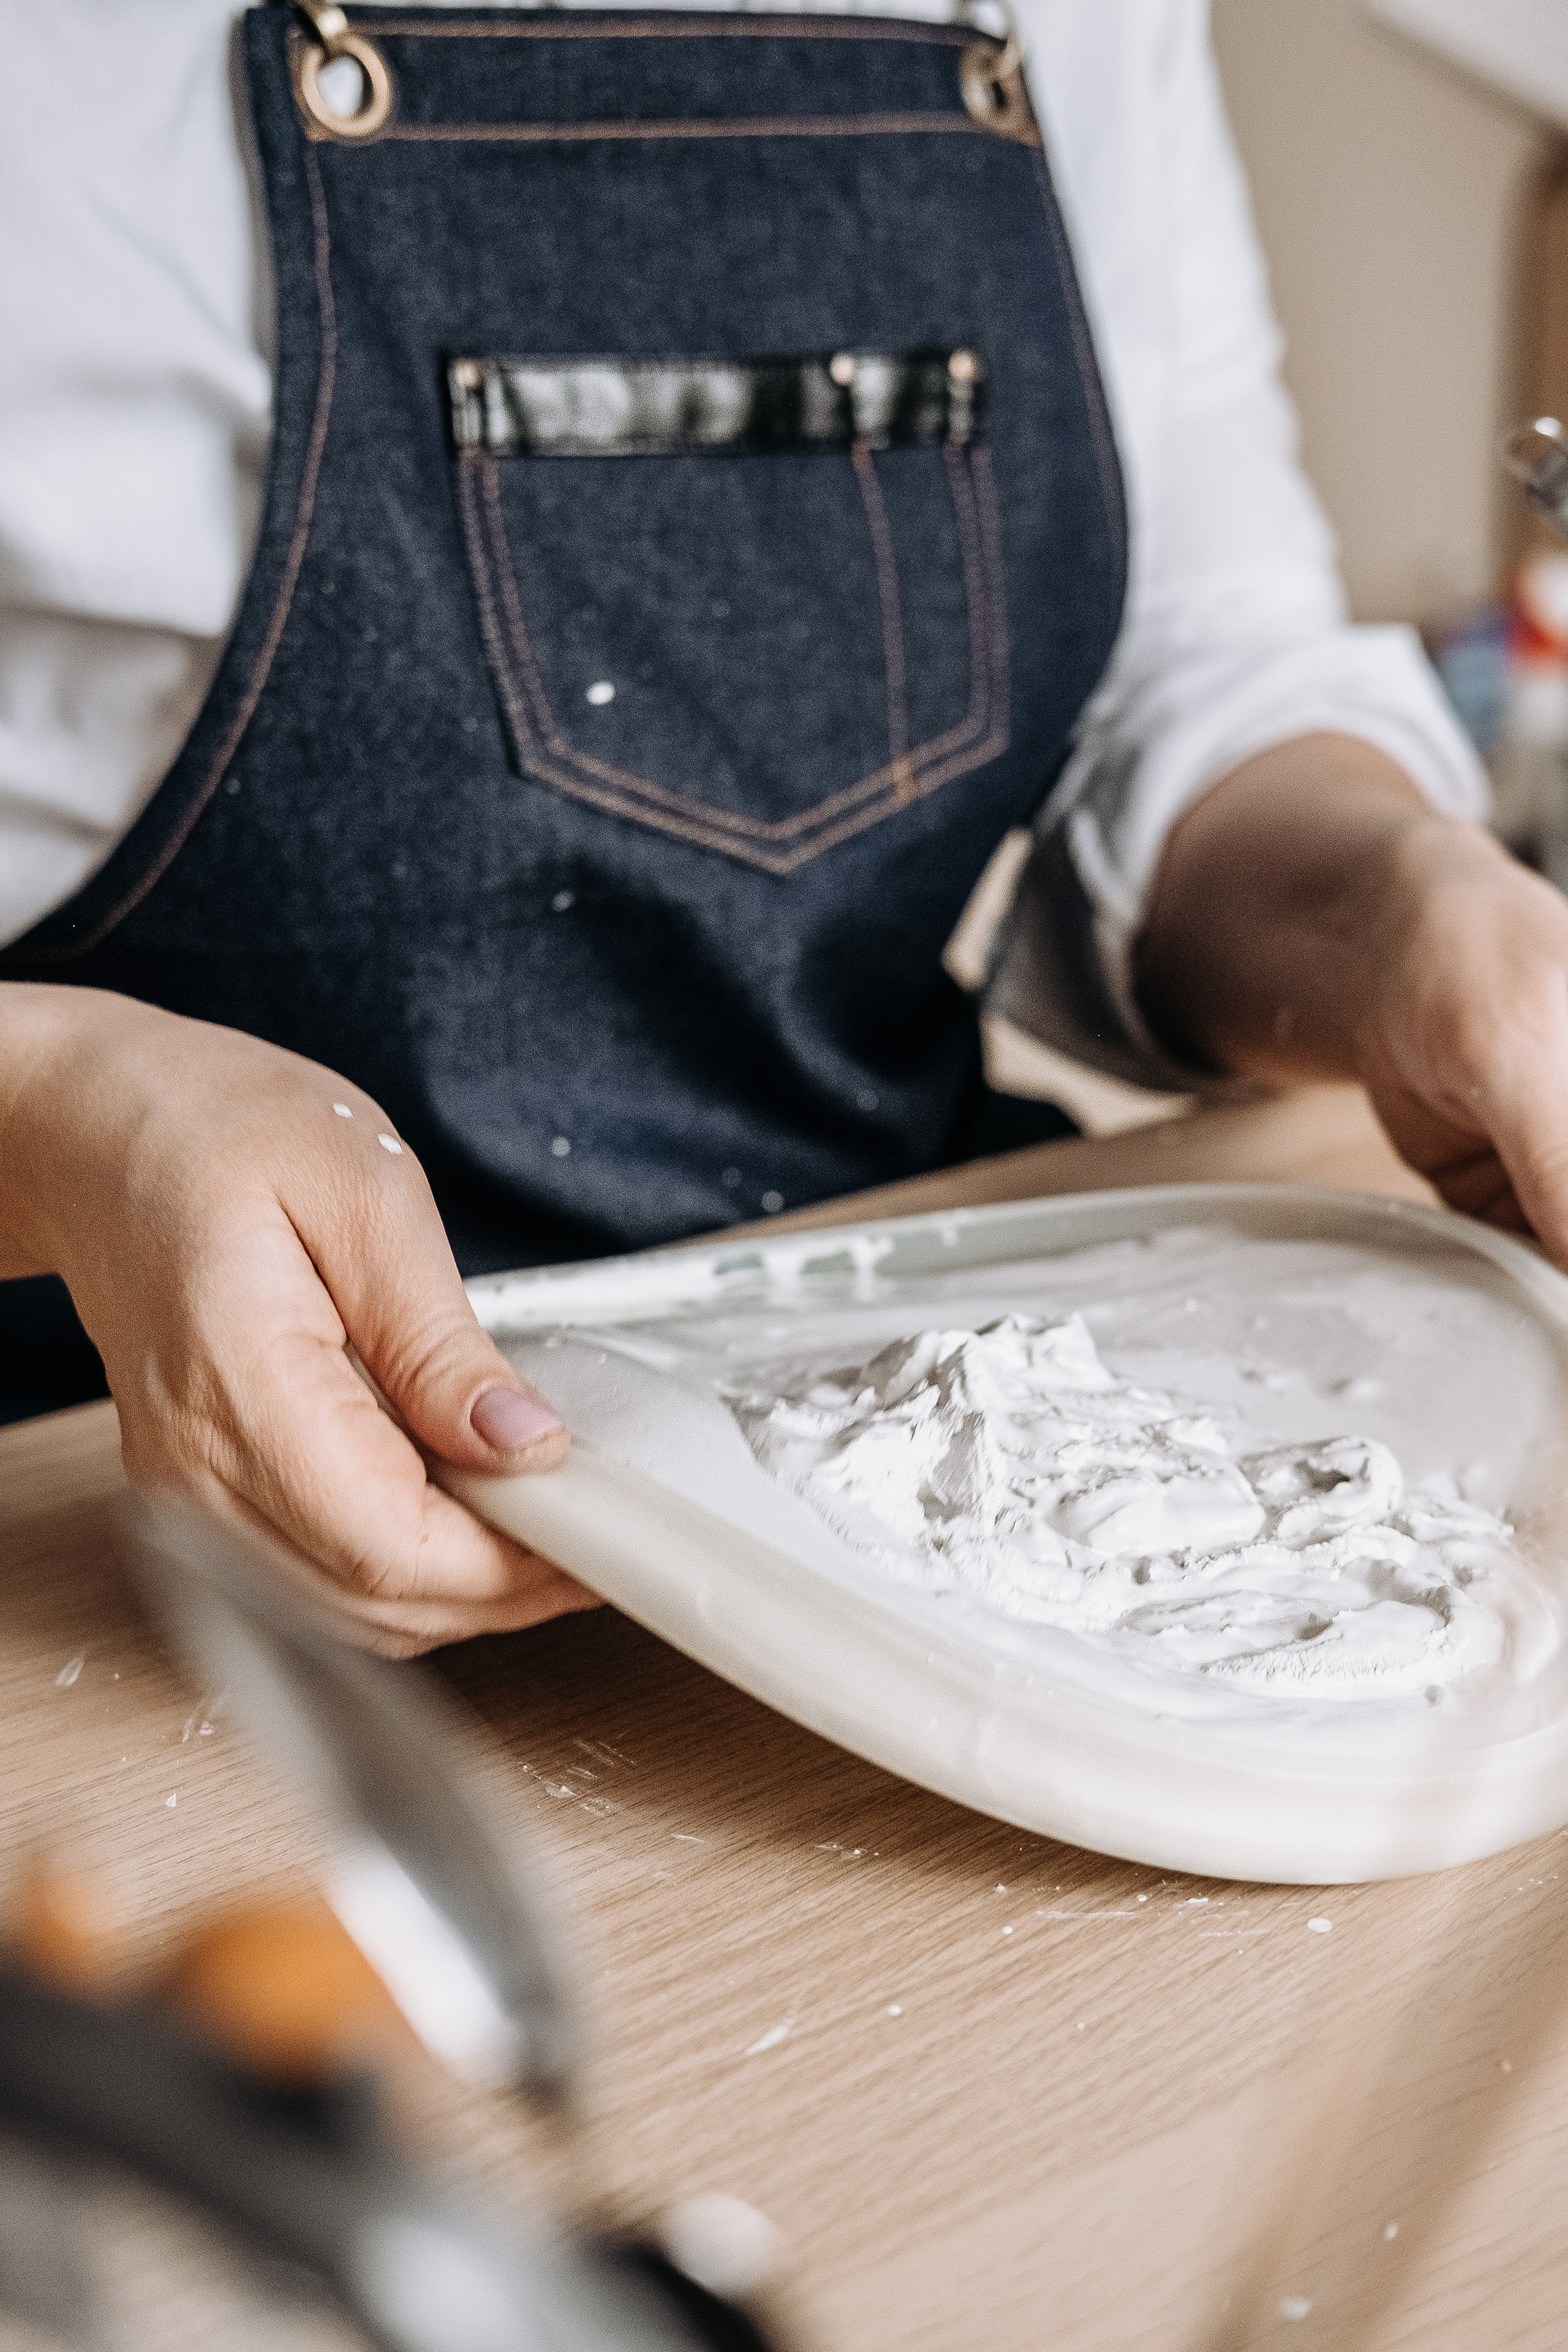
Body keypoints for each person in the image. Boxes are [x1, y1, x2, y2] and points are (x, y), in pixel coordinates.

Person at [1, 0, 1561, 1654]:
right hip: (109, 1511)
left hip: (941, 1433)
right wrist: (54, 1115)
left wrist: (1406, 906)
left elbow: (1199, 673)